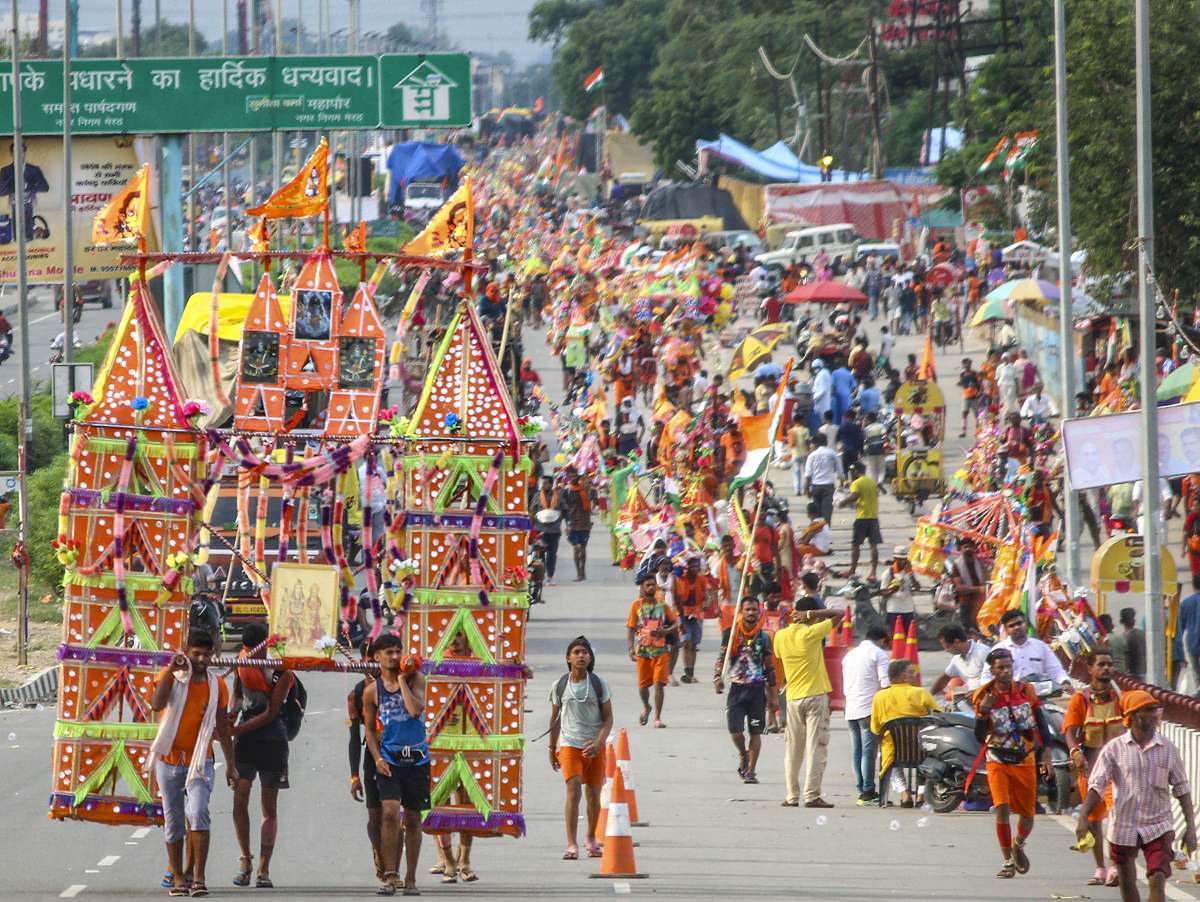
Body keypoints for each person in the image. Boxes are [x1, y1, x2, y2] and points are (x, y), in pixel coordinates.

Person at [1077, 690, 1197, 902]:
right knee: (1127, 881)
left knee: (1157, 877)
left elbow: (1182, 789)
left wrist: (1190, 828)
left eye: (1156, 710)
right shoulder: (1113, 750)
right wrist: (1083, 817)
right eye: (1149, 710)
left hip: (1158, 825)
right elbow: (1096, 786)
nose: (1156, 715)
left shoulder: (1168, 749)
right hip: (1124, 824)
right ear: (1133, 716)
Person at [149, 628, 238, 898]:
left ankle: (197, 876)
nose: (201, 659)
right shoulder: (173, 679)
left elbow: (223, 727)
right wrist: (170, 670)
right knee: (174, 821)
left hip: (201, 761)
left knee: (198, 813)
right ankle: (178, 877)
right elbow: (156, 704)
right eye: (196, 654)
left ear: (212, 656)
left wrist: (231, 765)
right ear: (187, 653)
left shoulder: (217, 685)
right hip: (169, 761)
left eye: (206, 654)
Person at [973, 647, 1053, 879]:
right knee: (1002, 808)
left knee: (1028, 815)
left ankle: (1018, 843)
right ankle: (1007, 860)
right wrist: (983, 713)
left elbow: (1040, 722)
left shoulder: (1026, 690)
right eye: (1001, 668)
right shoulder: (983, 696)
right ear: (992, 670)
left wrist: (1046, 751)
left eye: (1009, 666)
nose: (1006, 671)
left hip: (1025, 759)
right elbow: (979, 736)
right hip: (997, 759)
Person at [362, 634, 429, 897]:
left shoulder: (416, 679)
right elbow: (368, 730)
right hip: (390, 758)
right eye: (388, 652)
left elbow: (415, 711)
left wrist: (402, 680)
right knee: (389, 813)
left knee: (413, 819)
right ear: (377, 656)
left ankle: (411, 877)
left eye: (397, 651)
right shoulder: (371, 691)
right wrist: (377, 757)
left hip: (417, 758)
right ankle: (390, 874)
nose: (394, 656)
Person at [230, 623, 295, 889]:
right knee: (240, 797)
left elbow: (271, 712)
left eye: (252, 650)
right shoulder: (240, 663)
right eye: (246, 650)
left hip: (272, 737)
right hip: (245, 739)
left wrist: (235, 729)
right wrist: (227, 720)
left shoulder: (283, 671)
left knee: (269, 807)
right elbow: (235, 698)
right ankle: (245, 859)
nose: (249, 655)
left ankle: (263, 869)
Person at [1062, 649, 1124, 887]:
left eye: (1109, 664)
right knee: (1094, 819)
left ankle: (1116, 865)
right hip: (1091, 765)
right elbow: (1070, 731)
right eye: (1101, 664)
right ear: (1091, 669)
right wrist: (1074, 751)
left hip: (1118, 767)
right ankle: (1100, 867)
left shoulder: (1120, 697)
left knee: (1117, 816)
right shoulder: (1082, 699)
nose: (1106, 668)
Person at [773, 602, 844, 808]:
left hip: (793, 698)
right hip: (815, 696)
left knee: (793, 749)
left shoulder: (780, 636)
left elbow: (778, 655)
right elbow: (839, 613)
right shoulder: (811, 632)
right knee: (816, 747)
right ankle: (812, 795)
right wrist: (812, 614)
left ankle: (791, 796)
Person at [549, 636, 613, 861]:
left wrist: (599, 743)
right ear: (568, 658)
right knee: (573, 789)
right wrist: (551, 749)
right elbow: (555, 719)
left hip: (593, 746)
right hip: (569, 745)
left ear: (590, 658)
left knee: (594, 795)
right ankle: (571, 844)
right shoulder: (560, 685)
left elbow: (608, 718)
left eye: (585, 652)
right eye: (576, 652)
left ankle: (590, 838)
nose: (580, 656)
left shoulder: (598, 684)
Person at [713, 596, 778, 784]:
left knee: (755, 732)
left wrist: (773, 696)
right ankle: (743, 753)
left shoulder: (765, 637)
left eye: (754, 610)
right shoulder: (731, 634)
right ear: (741, 612)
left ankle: (751, 771)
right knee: (736, 732)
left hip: (757, 691)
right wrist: (718, 678)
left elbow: (769, 667)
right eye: (747, 610)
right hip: (736, 690)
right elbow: (721, 658)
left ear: (759, 612)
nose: (751, 613)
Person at [871, 659, 940, 807]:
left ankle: (904, 793)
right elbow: (939, 714)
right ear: (900, 676)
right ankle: (921, 794)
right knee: (930, 759)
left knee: (887, 756)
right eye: (910, 672)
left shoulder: (880, 696)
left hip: (894, 749)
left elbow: (875, 728)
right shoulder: (921, 692)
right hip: (921, 747)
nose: (914, 675)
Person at [841, 624, 891, 804]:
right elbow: (885, 683)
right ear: (882, 640)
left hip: (851, 707)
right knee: (868, 751)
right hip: (868, 708)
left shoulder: (849, 655)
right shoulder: (878, 654)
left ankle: (862, 788)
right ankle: (868, 791)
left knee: (857, 751)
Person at [348, 640, 385, 883]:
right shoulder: (357, 694)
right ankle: (379, 853)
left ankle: (392, 865)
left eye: (376, 659)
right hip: (373, 759)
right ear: (362, 661)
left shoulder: (399, 685)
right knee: (375, 817)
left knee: (394, 814)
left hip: (399, 757)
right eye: (368, 659)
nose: (372, 664)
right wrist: (354, 775)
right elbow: (353, 738)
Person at [627, 573, 678, 728]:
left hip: (660, 651)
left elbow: (675, 624)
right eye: (647, 585)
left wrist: (666, 632)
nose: (650, 587)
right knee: (643, 687)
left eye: (652, 585)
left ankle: (657, 717)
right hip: (643, 651)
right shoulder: (636, 605)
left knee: (658, 684)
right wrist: (630, 648)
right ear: (642, 587)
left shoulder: (662, 605)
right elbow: (630, 628)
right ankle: (646, 707)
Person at [982, 609, 1071, 692]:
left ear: (1026, 624)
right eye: (1011, 626)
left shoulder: (1040, 646)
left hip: (1041, 695)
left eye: (1019, 623)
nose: (1017, 627)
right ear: (1006, 630)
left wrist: (1064, 682)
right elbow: (986, 677)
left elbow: (1055, 670)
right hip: (1012, 697)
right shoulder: (998, 650)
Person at [841, 461, 881, 580]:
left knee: (855, 545)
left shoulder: (856, 483)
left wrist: (843, 502)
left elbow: (854, 496)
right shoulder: (872, 482)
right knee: (873, 546)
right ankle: (873, 572)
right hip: (873, 517)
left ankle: (852, 570)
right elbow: (875, 494)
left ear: (856, 472)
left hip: (862, 518)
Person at [673, 555, 710, 683]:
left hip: (697, 614)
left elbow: (706, 595)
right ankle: (686, 670)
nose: (695, 569)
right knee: (686, 641)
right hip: (683, 614)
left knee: (694, 644)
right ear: (687, 567)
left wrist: (706, 603)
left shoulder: (701, 579)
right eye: (692, 566)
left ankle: (691, 672)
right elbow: (676, 598)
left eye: (697, 566)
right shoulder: (680, 579)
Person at [930, 625, 990, 696]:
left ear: (957, 642)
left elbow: (994, 680)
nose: (946, 651)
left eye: (947, 647)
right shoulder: (956, 659)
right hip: (968, 696)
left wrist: (976, 692)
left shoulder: (983, 652)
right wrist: (929, 696)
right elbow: (944, 678)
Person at [802, 433, 843, 526]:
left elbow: (808, 475)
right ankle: (826, 534)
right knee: (827, 512)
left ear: (816, 443)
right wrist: (842, 483)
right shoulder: (832, 454)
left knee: (816, 513)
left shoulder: (811, 456)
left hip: (815, 487)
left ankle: (817, 534)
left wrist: (806, 489)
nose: (811, 445)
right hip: (828, 487)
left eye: (812, 443)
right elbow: (840, 472)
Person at [531, 475, 565, 585]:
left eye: (545, 483)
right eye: (542, 483)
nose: (543, 485)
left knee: (552, 555)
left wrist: (562, 521)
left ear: (551, 484)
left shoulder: (559, 497)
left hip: (554, 531)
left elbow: (565, 510)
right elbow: (532, 511)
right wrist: (531, 527)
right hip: (540, 531)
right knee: (540, 555)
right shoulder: (537, 496)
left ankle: (550, 577)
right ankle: (541, 577)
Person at [880, 546, 919, 636]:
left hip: (908, 609)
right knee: (896, 636)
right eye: (900, 560)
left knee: (909, 635)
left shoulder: (909, 571)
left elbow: (917, 588)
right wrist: (893, 590)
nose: (902, 562)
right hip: (894, 609)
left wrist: (911, 575)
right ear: (895, 559)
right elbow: (882, 592)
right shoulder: (888, 573)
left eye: (904, 560)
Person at [563, 471, 594, 582]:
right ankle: (578, 573)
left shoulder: (585, 489)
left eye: (574, 476)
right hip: (573, 523)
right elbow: (563, 507)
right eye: (570, 476)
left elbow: (588, 483)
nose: (572, 478)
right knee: (576, 548)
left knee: (583, 548)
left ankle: (583, 571)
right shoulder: (567, 491)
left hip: (585, 523)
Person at [1177, 574, 1200, 679]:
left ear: (1193, 586)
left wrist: (1181, 653)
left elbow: (1180, 629)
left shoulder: (1185, 603)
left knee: (1196, 673)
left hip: (1192, 642)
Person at [1117, 607, 1146, 681]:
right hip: (1143, 673)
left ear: (1122, 621)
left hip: (1132, 676)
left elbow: (1127, 660)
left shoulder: (1123, 637)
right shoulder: (1142, 634)